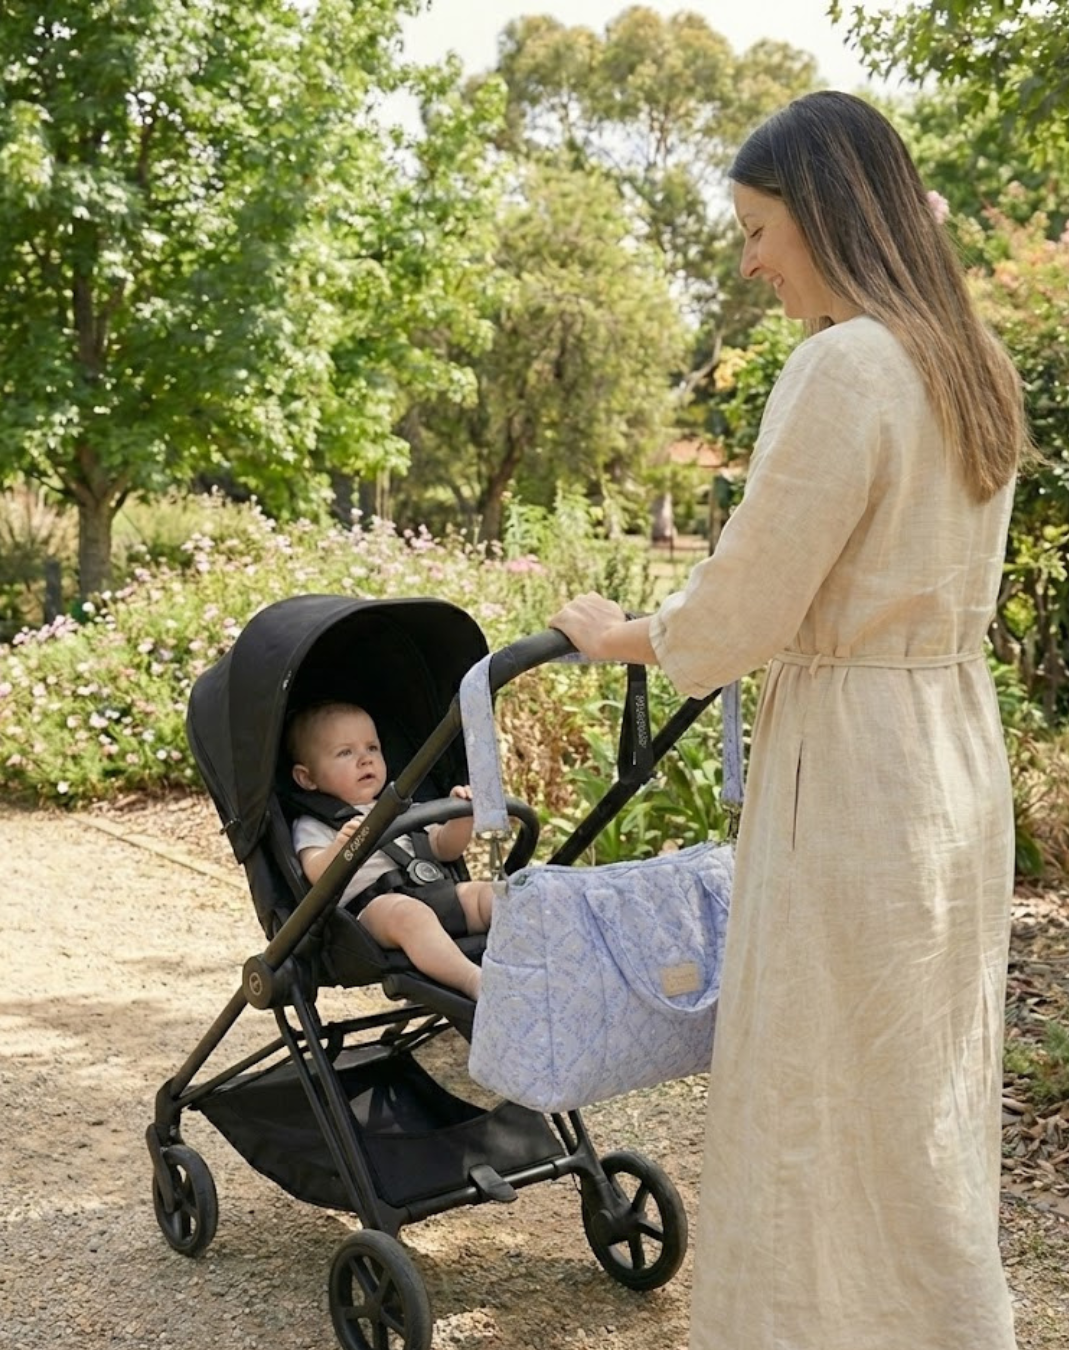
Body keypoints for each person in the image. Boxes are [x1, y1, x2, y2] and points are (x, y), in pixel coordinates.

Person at [550, 91, 1028, 1350]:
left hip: (858, 765)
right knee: (922, 1082)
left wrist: (621, 637)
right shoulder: (970, 359)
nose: (752, 260)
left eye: (761, 228)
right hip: (952, 759)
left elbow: (742, 612)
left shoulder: (846, 365)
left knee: (819, 1080)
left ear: (824, 212)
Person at [288, 701, 491, 999]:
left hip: (431, 892)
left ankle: (539, 960)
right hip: (370, 913)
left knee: (489, 895)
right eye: (346, 752)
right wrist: (340, 849)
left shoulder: (402, 808)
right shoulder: (314, 823)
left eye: (372, 748)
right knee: (407, 914)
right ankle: (473, 980)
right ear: (307, 777)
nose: (365, 760)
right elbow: (316, 874)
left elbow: (443, 849)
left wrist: (460, 819)